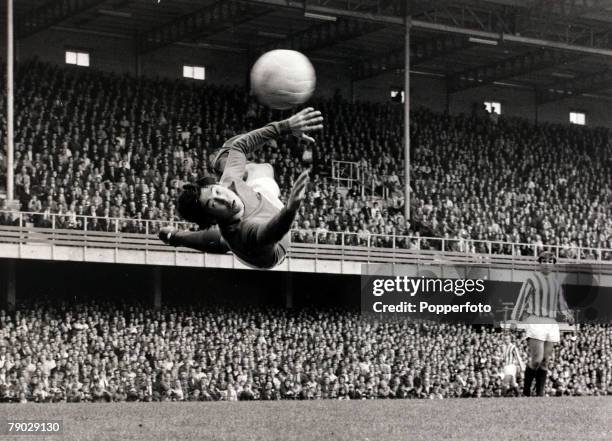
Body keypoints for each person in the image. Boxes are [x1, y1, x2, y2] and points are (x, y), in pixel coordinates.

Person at [158, 108, 323, 269]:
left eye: (216, 191)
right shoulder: (245, 232)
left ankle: (222, 161)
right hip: (274, 236)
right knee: (222, 240)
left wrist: (285, 126)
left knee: (250, 160)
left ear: (217, 185)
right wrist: (290, 209)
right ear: (213, 219)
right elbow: (273, 231)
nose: (223, 198)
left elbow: (240, 146)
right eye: (213, 204)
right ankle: (178, 237)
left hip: (258, 202)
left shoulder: (227, 184)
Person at [509, 251, 573, 396]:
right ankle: (526, 392)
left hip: (551, 322)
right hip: (536, 319)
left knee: (545, 361)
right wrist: (514, 319)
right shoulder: (531, 279)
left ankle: (540, 394)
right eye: (544, 260)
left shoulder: (556, 282)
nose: (547, 263)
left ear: (553, 264)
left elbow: (561, 302)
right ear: (539, 263)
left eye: (550, 261)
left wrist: (568, 315)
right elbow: (521, 300)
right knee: (536, 359)